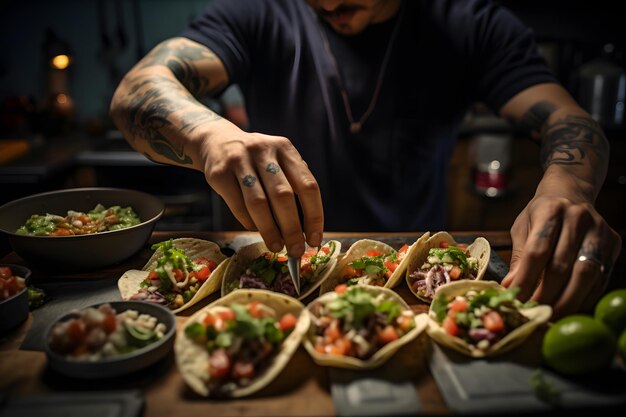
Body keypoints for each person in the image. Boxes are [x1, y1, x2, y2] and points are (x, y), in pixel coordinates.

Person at [109, 0, 622, 318]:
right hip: (281, 273)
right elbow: (137, 91)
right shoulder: (256, 11)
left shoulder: (470, 21)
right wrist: (210, 137)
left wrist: (567, 190)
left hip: (416, 283)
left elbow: (568, 121)